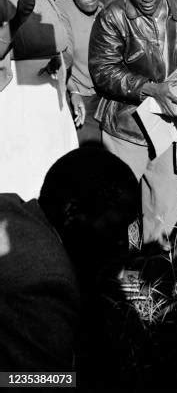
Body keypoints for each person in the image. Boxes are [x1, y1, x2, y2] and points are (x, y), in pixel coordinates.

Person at [0, 147, 140, 376]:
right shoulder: (49, 283)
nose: (123, 243)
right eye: (115, 227)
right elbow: (35, 381)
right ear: (72, 212)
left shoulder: (9, 205)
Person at [89, 0, 177, 244]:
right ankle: (109, 270)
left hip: (167, 125)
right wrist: (149, 87)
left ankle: (156, 269)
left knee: (165, 205)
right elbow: (103, 71)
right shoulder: (113, 15)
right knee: (114, 205)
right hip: (125, 126)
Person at [0, 0, 78, 200]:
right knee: (19, 172)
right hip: (14, 96)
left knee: (53, 165)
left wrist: (61, 62)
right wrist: (15, 22)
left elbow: (64, 42)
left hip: (50, 95)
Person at [58, 0, 105, 145]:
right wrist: (73, 92)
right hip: (82, 98)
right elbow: (62, 57)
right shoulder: (61, 10)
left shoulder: (106, 13)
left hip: (107, 97)